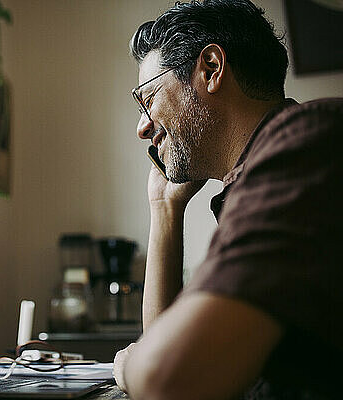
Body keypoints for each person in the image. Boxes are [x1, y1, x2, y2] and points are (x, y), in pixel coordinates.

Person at [112, 1, 343, 399]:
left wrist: (129, 363)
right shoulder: (261, 174)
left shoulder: (305, 144)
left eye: (148, 99)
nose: (142, 127)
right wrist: (166, 208)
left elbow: (170, 379)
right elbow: (172, 348)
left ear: (211, 69)